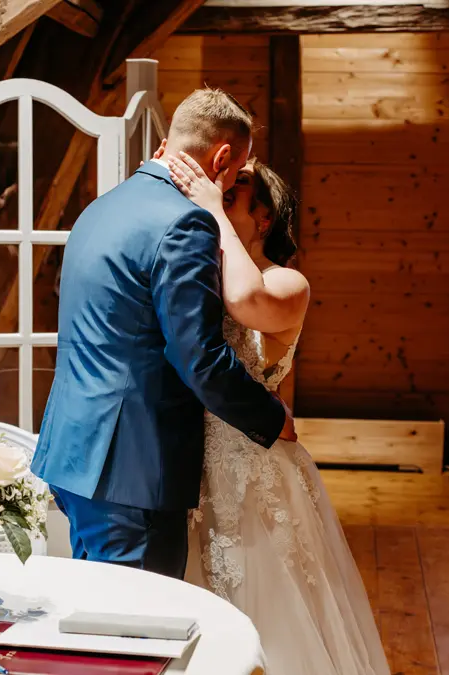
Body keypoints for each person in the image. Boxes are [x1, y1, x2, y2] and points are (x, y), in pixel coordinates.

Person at [30, 89, 296, 580]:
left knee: (93, 612)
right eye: (236, 172)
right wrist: (269, 416)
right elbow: (198, 356)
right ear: (221, 158)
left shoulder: (101, 207)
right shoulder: (186, 223)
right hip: (132, 472)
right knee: (136, 621)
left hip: (74, 454)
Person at [167, 152, 391, 675]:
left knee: (268, 611)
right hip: (187, 467)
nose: (216, 196)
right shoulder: (200, 277)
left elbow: (247, 303)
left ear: (264, 216)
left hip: (253, 471)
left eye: (233, 193)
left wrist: (210, 209)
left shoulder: (287, 283)